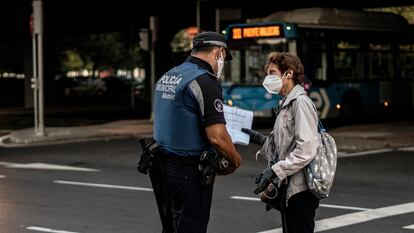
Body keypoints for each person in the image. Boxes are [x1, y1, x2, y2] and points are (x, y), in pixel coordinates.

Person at [153, 31, 242, 233]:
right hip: (189, 173)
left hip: (163, 170)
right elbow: (217, 137)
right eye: (224, 58)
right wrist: (235, 160)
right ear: (219, 53)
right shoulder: (205, 81)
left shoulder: (169, 76)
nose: (223, 64)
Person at [245, 52, 319, 233]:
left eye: (272, 73)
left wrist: (274, 171)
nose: (267, 78)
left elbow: (306, 150)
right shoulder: (286, 103)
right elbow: (285, 145)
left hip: (300, 191)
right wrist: (261, 140)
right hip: (289, 188)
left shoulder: (300, 103)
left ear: (289, 73)